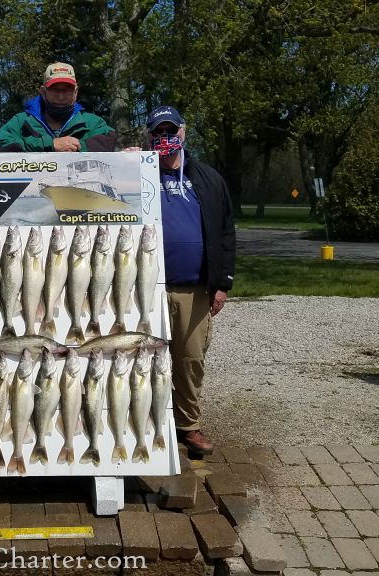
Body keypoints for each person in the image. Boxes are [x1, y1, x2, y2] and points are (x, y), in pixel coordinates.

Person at [146, 105, 235, 457]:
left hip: (193, 287)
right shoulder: (139, 173)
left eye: (172, 130)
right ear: (149, 136)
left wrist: (223, 282)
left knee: (190, 359)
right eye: (158, 132)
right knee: (145, 359)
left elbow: (226, 231)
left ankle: (188, 424)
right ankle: (149, 421)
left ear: (184, 132)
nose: (165, 137)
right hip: (146, 288)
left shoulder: (209, 178)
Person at [0, 62, 116, 152]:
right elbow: (1, 147)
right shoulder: (20, 122)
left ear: (76, 92)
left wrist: (76, 148)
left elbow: (109, 145)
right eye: (55, 90)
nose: (61, 97)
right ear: (43, 92)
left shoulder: (94, 123)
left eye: (67, 90)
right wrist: (50, 145)